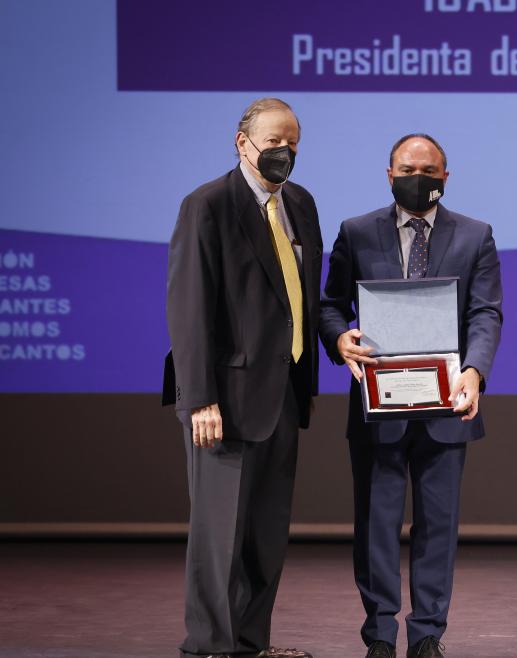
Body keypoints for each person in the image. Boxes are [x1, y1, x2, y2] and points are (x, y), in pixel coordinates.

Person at [320, 134, 503, 658]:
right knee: (376, 524)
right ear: (389, 172)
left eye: (428, 169)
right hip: (379, 404)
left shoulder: (476, 235)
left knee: (437, 527)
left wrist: (475, 372)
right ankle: (379, 634)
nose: (417, 177)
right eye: (407, 168)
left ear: (446, 176)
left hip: (447, 404)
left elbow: (485, 312)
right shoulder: (356, 232)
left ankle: (426, 634)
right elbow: (331, 305)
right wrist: (339, 338)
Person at [163, 97, 321, 658]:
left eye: (293, 142)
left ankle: (252, 644)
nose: (285, 152)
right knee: (219, 536)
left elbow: (300, 299)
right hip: (223, 400)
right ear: (242, 142)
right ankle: (209, 647)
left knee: (264, 535)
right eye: (274, 141)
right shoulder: (207, 204)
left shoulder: (299, 204)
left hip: (283, 394)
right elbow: (189, 308)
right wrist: (199, 397)